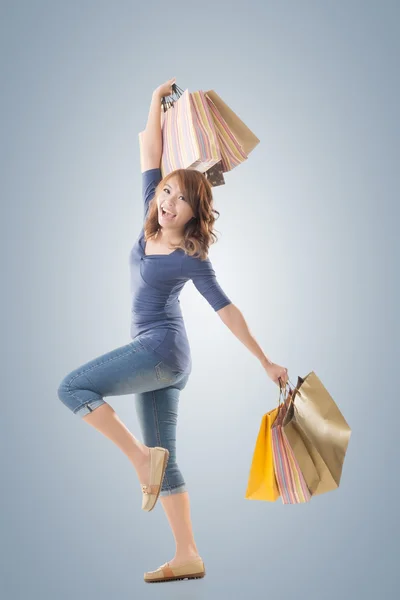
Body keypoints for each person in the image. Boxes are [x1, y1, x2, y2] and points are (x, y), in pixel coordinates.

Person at [57, 76, 289, 583]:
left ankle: (141, 460)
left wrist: (264, 361)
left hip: (162, 353)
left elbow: (226, 310)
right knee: (170, 459)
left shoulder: (192, 258)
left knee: (73, 387)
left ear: (194, 213)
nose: (167, 202)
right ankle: (188, 554)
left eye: (180, 200)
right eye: (166, 191)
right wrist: (156, 102)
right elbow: (149, 144)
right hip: (162, 358)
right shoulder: (148, 210)